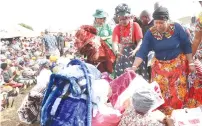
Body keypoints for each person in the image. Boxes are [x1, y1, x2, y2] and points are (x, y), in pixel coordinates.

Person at [127, 7, 196, 115]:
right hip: (159, 68)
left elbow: (186, 46)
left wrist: (191, 62)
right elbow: (142, 51)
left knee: (177, 92)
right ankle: (163, 116)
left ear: (167, 21)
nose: (158, 25)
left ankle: (177, 115)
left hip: (177, 66)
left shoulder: (177, 28)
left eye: (161, 22)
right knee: (160, 92)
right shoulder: (150, 33)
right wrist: (134, 67)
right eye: (156, 22)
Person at [112, 3, 149, 80]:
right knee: (122, 78)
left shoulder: (135, 25)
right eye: (120, 19)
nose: (123, 21)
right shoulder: (117, 28)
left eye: (125, 18)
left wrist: (135, 50)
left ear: (129, 16)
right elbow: (114, 43)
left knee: (136, 77)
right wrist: (116, 51)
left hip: (135, 53)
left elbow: (140, 42)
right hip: (122, 54)